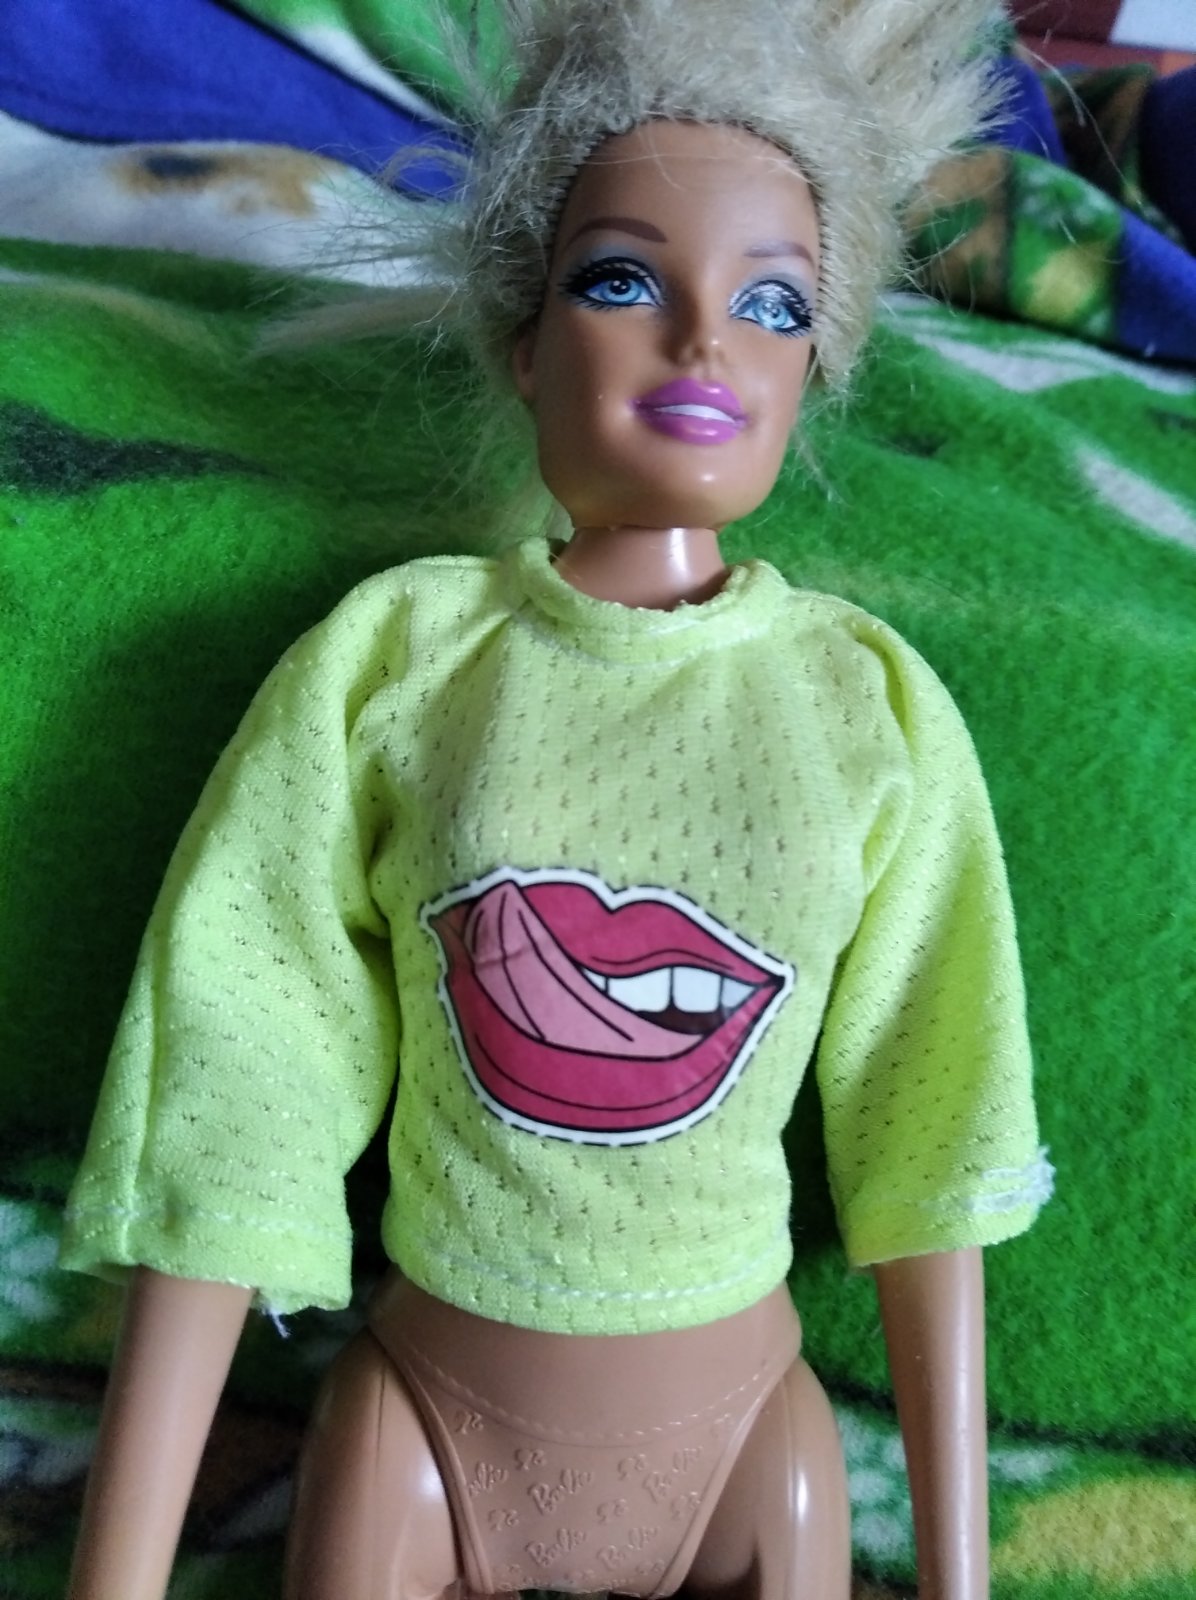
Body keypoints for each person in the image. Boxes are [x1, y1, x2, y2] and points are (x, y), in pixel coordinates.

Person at [60, 4, 1051, 1598]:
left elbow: (932, 1122)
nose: (705, 344)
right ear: (523, 338)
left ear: (817, 362)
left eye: (774, 302)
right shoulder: (398, 660)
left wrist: (960, 1572)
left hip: (747, 1446)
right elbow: (243, 1082)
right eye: (622, 280)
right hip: (425, 1422)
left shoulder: (866, 705)